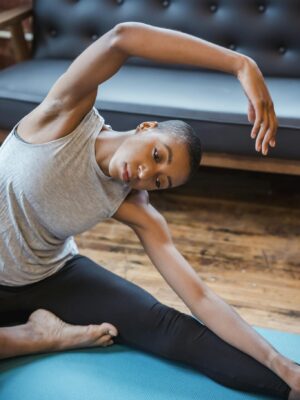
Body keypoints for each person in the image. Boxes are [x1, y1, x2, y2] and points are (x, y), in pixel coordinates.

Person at [0, 22, 299, 400]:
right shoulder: (66, 113)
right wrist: (242, 65)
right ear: (146, 127)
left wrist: (281, 366)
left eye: (159, 182)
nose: (145, 174)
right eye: (157, 155)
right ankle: (36, 337)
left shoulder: (132, 203)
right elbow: (123, 38)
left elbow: (200, 299)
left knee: (165, 326)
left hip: (51, 274)